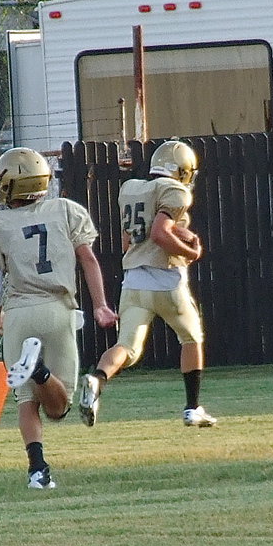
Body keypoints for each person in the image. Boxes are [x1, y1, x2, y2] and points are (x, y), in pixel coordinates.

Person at [0, 147, 117, 489]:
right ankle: (41, 371)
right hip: (57, 309)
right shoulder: (65, 211)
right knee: (58, 407)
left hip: (19, 313)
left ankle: (38, 470)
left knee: (26, 401)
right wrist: (100, 305)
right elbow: (89, 261)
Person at [77, 139, 217, 428]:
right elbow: (159, 233)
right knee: (192, 338)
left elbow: (129, 239)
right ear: (181, 170)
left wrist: (179, 231)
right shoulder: (175, 191)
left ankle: (97, 379)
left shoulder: (132, 189)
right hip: (166, 280)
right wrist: (192, 251)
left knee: (127, 347)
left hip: (133, 281)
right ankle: (193, 408)